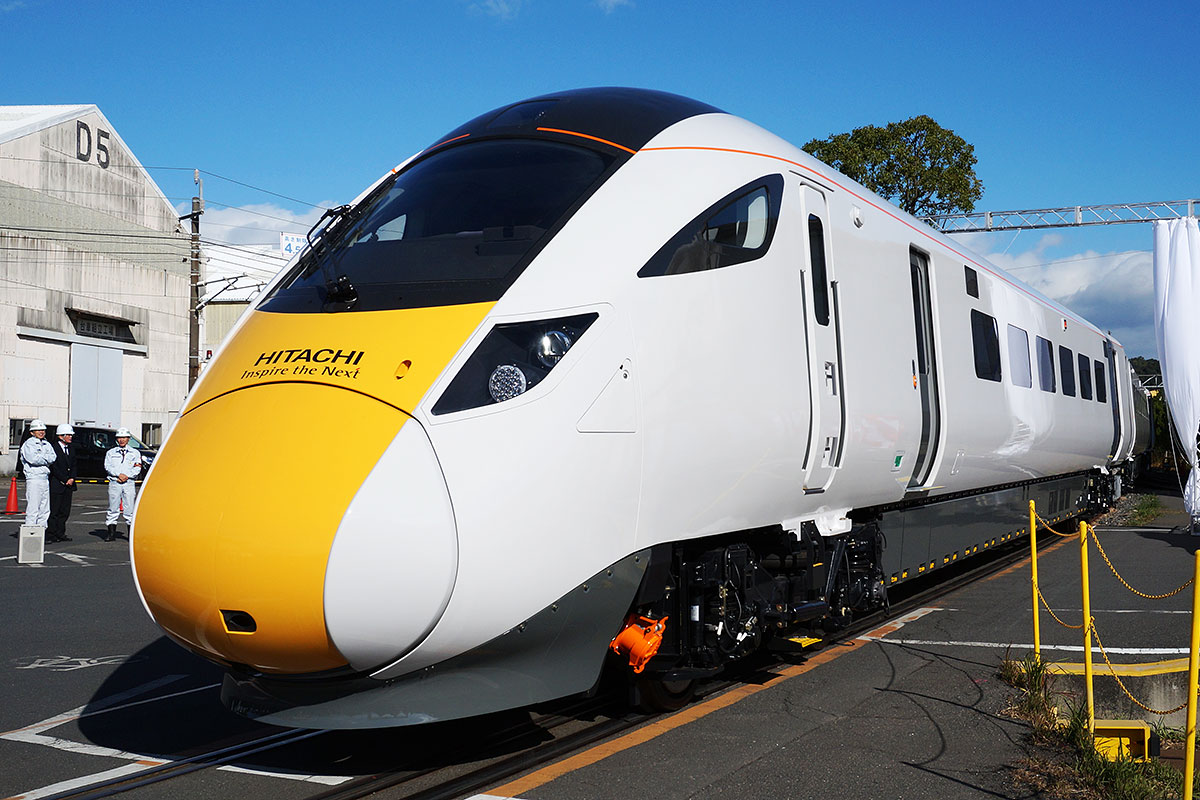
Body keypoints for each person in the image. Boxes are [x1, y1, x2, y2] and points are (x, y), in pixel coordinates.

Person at [104, 427, 142, 541]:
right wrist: (118, 475)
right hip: (115, 482)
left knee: (129, 508)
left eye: (124, 438)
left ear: (128, 439)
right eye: (119, 438)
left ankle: (130, 535)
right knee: (113, 507)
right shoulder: (111, 453)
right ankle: (111, 533)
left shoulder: (135, 453)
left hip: (129, 483)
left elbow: (137, 467)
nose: (122, 440)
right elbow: (108, 466)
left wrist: (127, 476)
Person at [18, 419, 55, 528]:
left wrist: (43, 458)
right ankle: (30, 531)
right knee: (33, 508)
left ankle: (42, 532)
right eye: (38, 430)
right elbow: (33, 459)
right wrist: (46, 459)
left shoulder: (47, 444)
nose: (41, 432)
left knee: (44, 508)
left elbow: (53, 457)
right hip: (34, 478)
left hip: (45, 478)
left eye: (43, 430)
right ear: (32, 432)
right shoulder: (28, 444)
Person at [46, 424, 77, 543]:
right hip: (57, 484)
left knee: (65, 511)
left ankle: (60, 532)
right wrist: (65, 479)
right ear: (61, 436)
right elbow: (54, 467)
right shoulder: (53, 448)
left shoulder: (71, 448)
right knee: (54, 510)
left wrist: (72, 477)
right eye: (68, 435)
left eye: (70, 435)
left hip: (69, 484)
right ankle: (51, 534)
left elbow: (74, 464)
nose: (70, 437)